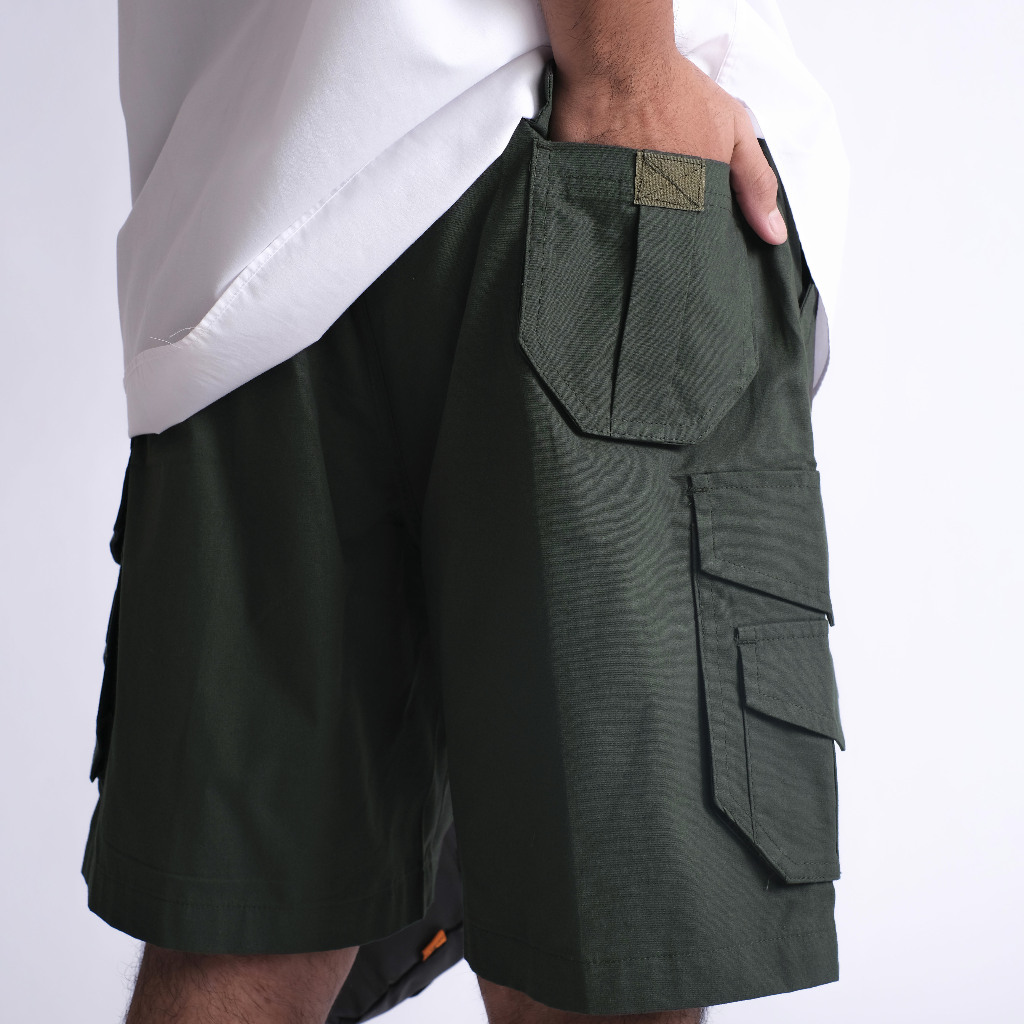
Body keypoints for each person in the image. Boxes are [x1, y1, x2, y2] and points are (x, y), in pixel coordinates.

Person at [83, 1, 850, 1021]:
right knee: (605, 949)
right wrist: (628, 73)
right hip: (561, 152)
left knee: (240, 939)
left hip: (248, 223)